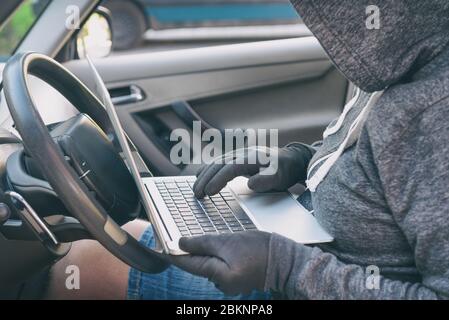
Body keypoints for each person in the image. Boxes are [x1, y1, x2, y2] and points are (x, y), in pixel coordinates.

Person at [46, 0, 449, 299]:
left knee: (87, 263)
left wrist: (284, 268)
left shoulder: (437, 111)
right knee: (125, 236)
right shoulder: (403, 62)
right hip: (305, 257)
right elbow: (373, 162)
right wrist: (299, 162)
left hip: (302, 284)